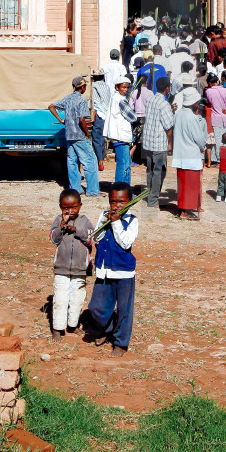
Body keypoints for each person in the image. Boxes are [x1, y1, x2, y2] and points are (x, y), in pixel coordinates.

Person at [83, 185, 138, 354]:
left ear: (130, 202)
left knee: (124, 310)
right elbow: (97, 237)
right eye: (113, 201)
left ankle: (121, 342)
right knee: (95, 308)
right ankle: (107, 328)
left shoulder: (131, 220)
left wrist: (115, 223)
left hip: (124, 273)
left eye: (122, 201)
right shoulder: (104, 215)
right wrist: (104, 220)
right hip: (104, 269)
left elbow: (125, 243)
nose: (117, 205)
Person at [48, 188, 95, 340]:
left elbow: (90, 238)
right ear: (60, 207)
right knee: (60, 299)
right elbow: (54, 239)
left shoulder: (84, 220)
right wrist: (62, 224)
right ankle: (57, 327)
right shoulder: (58, 220)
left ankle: (73, 325)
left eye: (73, 207)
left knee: (77, 299)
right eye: (65, 208)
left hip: (80, 268)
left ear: (80, 205)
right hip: (61, 268)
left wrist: (76, 230)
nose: (70, 211)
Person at [50, 75, 100, 199]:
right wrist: (87, 133)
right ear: (82, 87)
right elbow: (82, 119)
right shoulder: (82, 101)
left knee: (72, 162)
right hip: (79, 135)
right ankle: (93, 190)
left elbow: (51, 106)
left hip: (69, 135)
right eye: (85, 86)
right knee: (90, 162)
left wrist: (61, 119)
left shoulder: (67, 99)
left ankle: (75, 189)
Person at [140, 75, 175, 209]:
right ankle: (153, 199)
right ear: (167, 89)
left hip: (148, 141)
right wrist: (170, 144)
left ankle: (150, 195)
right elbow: (168, 126)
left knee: (150, 170)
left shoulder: (150, 100)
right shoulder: (164, 104)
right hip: (159, 142)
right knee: (159, 171)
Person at [172, 96, 209, 219]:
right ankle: (186, 211)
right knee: (190, 185)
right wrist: (203, 147)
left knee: (182, 184)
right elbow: (199, 139)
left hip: (180, 154)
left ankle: (181, 209)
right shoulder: (192, 118)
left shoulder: (178, 115)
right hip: (191, 155)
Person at [104, 79, 136, 188]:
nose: (126, 90)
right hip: (121, 136)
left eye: (128, 87)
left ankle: (123, 189)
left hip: (117, 135)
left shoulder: (114, 98)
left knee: (124, 164)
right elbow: (132, 117)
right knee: (124, 165)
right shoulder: (121, 100)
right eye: (124, 87)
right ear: (117, 87)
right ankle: (121, 189)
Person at [89, 69, 110, 166]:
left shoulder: (93, 86)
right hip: (107, 114)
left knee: (96, 137)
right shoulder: (106, 86)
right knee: (102, 137)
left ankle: (99, 160)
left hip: (99, 113)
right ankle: (102, 156)